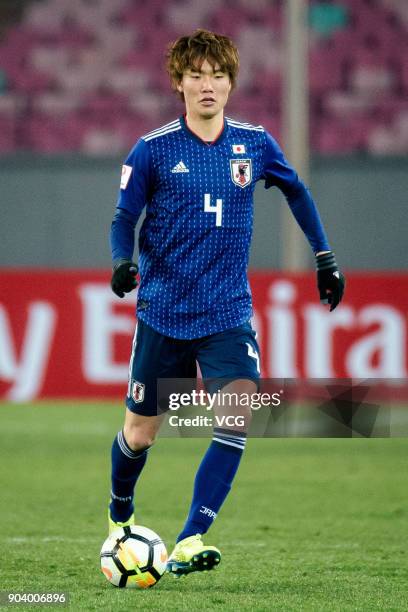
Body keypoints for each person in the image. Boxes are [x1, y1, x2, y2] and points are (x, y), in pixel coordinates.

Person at [108, 29, 345, 576]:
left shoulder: (255, 143)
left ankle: (190, 540)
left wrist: (325, 256)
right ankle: (121, 514)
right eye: (197, 75)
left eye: (218, 75)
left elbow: (296, 191)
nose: (208, 85)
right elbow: (124, 217)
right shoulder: (154, 149)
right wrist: (123, 261)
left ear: (231, 83)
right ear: (179, 83)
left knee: (236, 416)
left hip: (227, 314)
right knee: (139, 435)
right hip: (164, 314)